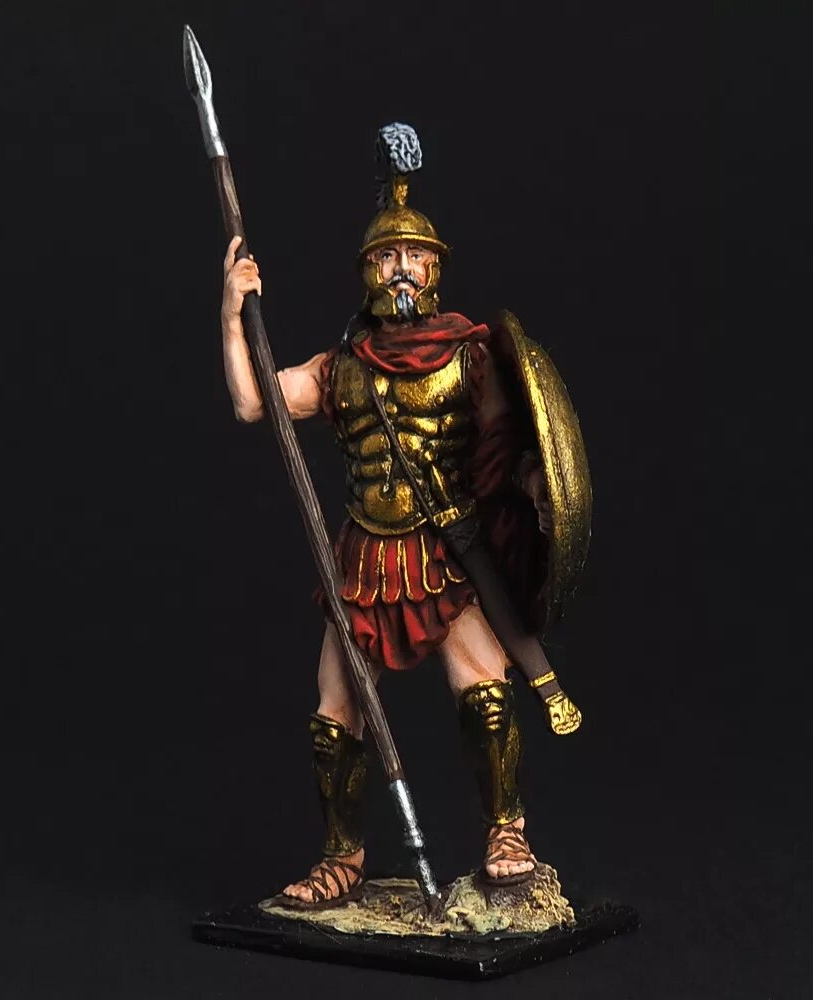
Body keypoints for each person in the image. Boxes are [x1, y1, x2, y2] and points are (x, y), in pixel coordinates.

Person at [219, 124, 566, 908]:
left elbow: (511, 454)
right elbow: (251, 401)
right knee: (333, 721)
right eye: (386, 257)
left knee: (487, 696)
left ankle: (507, 832)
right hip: (365, 560)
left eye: (414, 255)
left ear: (435, 268)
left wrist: (539, 494)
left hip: (447, 551)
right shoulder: (341, 369)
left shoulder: (472, 357)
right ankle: (342, 859)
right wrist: (231, 311)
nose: (401, 268)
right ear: (368, 273)